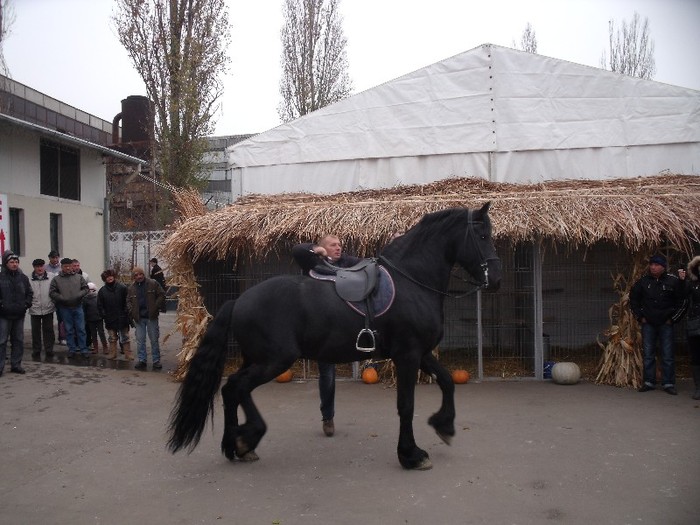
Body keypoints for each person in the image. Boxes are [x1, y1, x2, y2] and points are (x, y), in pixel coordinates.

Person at [292, 234, 361, 437]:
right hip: (321, 330)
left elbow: (370, 263)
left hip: (345, 327)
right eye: (333, 245)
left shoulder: (347, 262)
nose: (338, 248)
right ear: (323, 248)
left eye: (340, 244)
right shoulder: (312, 262)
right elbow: (298, 249)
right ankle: (328, 417)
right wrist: (317, 250)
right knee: (328, 375)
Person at [630, 254, 686, 395]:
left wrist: (673, 319)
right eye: (651, 264)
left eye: (656, 265)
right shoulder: (643, 282)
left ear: (663, 267)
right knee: (648, 354)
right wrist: (640, 317)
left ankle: (668, 383)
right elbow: (633, 300)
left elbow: (682, 301)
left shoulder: (673, 281)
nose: (653, 267)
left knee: (667, 354)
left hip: (666, 324)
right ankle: (649, 382)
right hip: (648, 323)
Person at [49, 257, 90, 359]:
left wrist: (78, 295)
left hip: (78, 307)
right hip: (65, 308)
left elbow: (86, 289)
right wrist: (61, 298)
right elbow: (52, 292)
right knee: (69, 330)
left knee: (81, 329)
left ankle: (83, 349)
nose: (67, 268)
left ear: (72, 266)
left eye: (69, 266)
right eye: (65, 266)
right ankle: (71, 349)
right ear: (61, 267)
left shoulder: (79, 277)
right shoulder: (56, 279)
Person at [0, 251, 33, 375]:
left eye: (16, 262)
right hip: (4, 315)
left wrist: (26, 304)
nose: (14, 264)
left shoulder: (23, 278)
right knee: (2, 341)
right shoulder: (1, 277)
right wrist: (2, 305)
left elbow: (29, 293)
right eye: (11, 262)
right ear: (6, 263)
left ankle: (16, 364)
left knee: (18, 340)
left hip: (19, 314)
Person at [126, 267, 165, 371]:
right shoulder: (131, 288)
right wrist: (131, 310)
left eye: (140, 274)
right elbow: (128, 301)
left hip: (151, 317)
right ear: (134, 277)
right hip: (139, 319)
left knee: (154, 339)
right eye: (136, 275)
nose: (139, 276)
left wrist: (156, 306)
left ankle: (156, 361)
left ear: (143, 274)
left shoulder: (153, 283)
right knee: (140, 340)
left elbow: (161, 294)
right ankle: (142, 360)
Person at [97, 269, 133, 361]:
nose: (109, 278)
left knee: (125, 337)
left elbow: (128, 301)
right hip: (109, 318)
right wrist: (104, 315)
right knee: (112, 337)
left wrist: (126, 312)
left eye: (111, 276)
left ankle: (128, 354)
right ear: (104, 279)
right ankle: (112, 353)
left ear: (114, 276)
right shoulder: (102, 291)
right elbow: (100, 305)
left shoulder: (122, 288)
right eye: (107, 277)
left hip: (122, 317)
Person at [678, 256, 700, 400]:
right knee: (696, 356)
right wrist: (681, 281)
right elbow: (681, 296)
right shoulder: (692, 284)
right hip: (695, 324)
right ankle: (698, 387)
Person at [28, 258, 56, 361]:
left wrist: (53, 302)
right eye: (37, 266)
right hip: (34, 308)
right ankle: (36, 350)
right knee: (35, 331)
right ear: (34, 267)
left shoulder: (51, 277)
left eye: (41, 266)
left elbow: (55, 290)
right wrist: (29, 303)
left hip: (48, 308)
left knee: (48, 330)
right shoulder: (29, 279)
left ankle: (49, 349)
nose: (40, 268)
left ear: (44, 266)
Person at [46, 250, 65, 344]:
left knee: (61, 317)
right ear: (49, 258)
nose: (55, 259)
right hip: (48, 295)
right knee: (48, 319)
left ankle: (62, 337)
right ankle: (49, 338)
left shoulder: (61, 268)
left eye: (56, 257)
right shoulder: (45, 268)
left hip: (58, 295)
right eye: (53, 257)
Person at [83, 282, 107, 354]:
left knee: (101, 333)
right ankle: (95, 347)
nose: (90, 291)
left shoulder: (98, 297)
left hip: (99, 318)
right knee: (93, 334)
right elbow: (84, 309)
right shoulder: (85, 299)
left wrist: (102, 315)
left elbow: (102, 307)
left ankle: (105, 347)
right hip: (90, 319)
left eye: (91, 290)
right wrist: (85, 318)